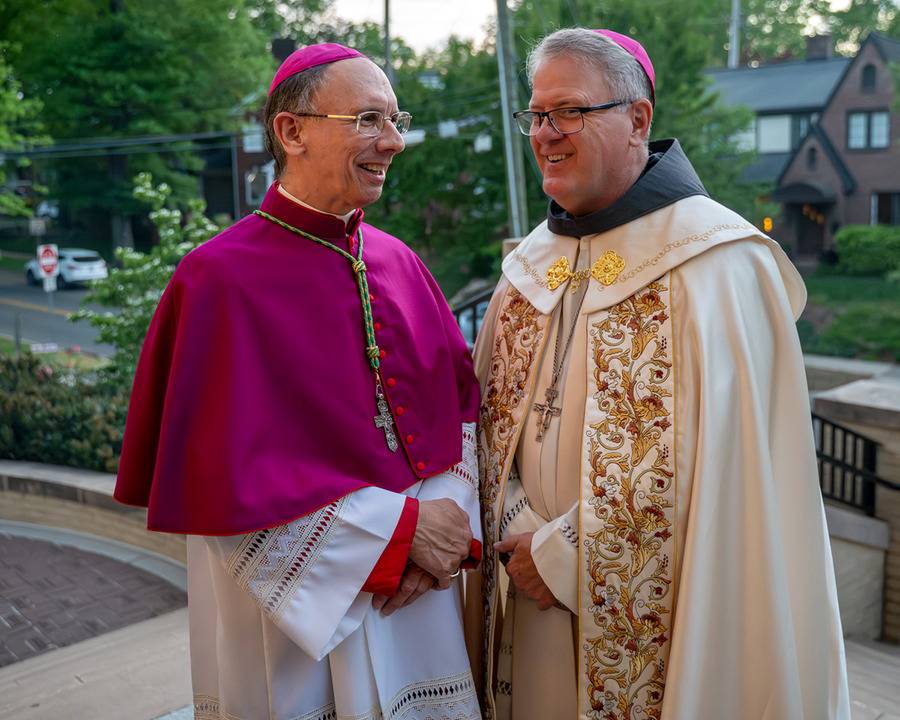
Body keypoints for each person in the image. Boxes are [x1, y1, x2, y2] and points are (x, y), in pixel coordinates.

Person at [466, 28, 850, 720]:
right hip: (519, 596)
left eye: (570, 111)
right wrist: (518, 527)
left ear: (637, 118)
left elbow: (734, 481)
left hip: (654, 632)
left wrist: (566, 556)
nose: (546, 134)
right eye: (536, 114)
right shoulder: (526, 269)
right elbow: (491, 429)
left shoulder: (719, 264)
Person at [115, 43, 483, 720]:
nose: (394, 142)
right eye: (370, 120)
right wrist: (398, 540)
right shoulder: (216, 281)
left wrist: (444, 532)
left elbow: (462, 413)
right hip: (300, 626)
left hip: (419, 603)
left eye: (397, 120)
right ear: (292, 131)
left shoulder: (401, 262)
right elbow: (221, 489)